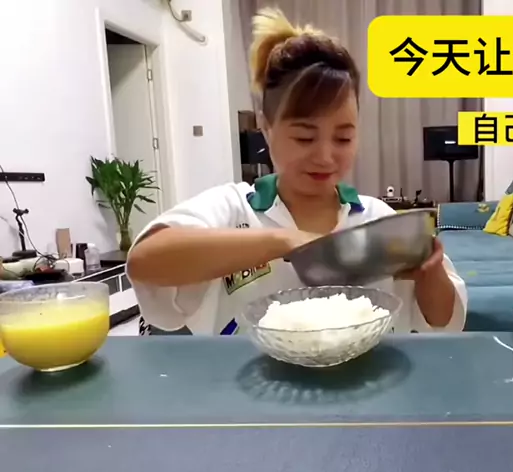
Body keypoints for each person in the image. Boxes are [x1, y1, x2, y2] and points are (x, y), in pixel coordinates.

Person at [126, 8, 466, 335]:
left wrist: (430, 269)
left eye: (343, 138)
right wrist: (286, 241)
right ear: (266, 127)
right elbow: (145, 261)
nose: (325, 157)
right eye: (304, 137)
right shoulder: (234, 210)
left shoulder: (375, 220)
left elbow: (444, 321)